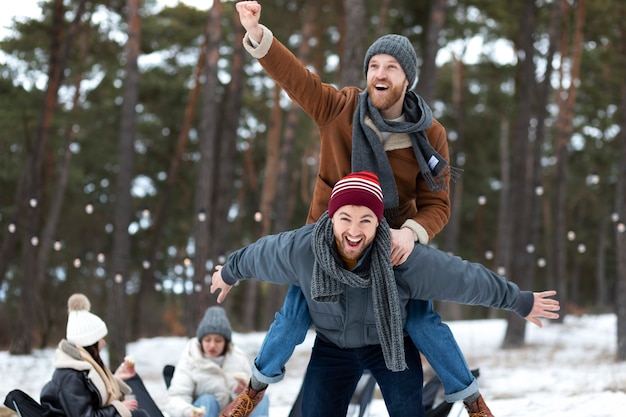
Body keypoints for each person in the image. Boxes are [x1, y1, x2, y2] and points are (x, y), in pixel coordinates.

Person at [228, 2, 489, 417]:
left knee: (421, 321)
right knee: (293, 317)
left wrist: (412, 233)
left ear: (408, 78)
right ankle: (254, 392)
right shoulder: (341, 108)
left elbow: (438, 204)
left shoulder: (430, 135)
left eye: (391, 67)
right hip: (327, 244)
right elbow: (298, 80)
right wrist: (258, 35)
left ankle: (472, 399)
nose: (380, 74)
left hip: (391, 251)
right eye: (374, 66)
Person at [210, 171, 560, 417]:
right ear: (332, 217)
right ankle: (253, 393)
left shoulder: (400, 257)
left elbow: (463, 278)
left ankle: (473, 403)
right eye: (345, 217)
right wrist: (228, 273)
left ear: (379, 224)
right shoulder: (303, 250)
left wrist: (519, 300)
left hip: (390, 346)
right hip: (332, 348)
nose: (354, 230)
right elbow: (258, 255)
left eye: (366, 220)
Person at [40, 293, 152, 417]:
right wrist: (119, 408)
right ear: (90, 342)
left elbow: (92, 392)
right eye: (101, 338)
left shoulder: (83, 366)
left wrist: (117, 377)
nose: (104, 342)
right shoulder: (70, 375)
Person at [166, 306, 269, 417]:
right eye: (207, 340)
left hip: (232, 414)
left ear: (226, 342)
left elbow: (248, 397)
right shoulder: (190, 359)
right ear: (201, 341)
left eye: (218, 340)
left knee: (259, 399)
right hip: (202, 413)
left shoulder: (238, 358)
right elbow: (176, 398)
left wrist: (242, 392)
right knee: (207, 401)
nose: (212, 345)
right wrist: (189, 412)